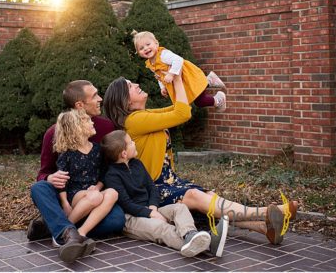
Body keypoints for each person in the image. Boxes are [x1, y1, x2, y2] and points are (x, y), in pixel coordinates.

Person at [101, 75, 299, 245]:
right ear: (126, 101)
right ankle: (265, 212)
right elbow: (182, 113)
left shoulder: (144, 115)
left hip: (169, 180)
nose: (136, 84)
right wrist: (176, 77)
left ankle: (263, 228)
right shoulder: (134, 121)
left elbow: (181, 107)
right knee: (197, 196)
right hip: (154, 187)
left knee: (209, 197)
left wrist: (176, 83)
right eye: (130, 86)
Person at [28, 80, 125, 263]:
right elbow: (43, 172)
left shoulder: (106, 128)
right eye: (94, 96)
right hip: (68, 192)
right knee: (38, 188)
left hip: (95, 194)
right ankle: (66, 231)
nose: (100, 99)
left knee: (117, 220)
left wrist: (99, 188)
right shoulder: (54, 132)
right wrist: (50, 177)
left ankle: (56, 227)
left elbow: (109, 168)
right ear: (80, 105)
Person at [101, 130, 222, 257]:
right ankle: (208, 244)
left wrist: (153, 206)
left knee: (180, 208)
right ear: (124, 153)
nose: (134, 143)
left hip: (151, 208)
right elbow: (126, 204)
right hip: (131, 217)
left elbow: (152, 187)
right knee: (161, 227)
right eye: (131, 142)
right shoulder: (112, 176)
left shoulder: (137, 164)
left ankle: (190, 234)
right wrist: (150, 213)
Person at [52, 109, 118, 263]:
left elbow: (103, 174)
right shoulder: (67, 152)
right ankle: (62, 233)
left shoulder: (97, 149)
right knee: (95, 197)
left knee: (113, 193)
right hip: (75, 194)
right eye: (87, 121)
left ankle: (81, 233)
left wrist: (97, 187)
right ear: (76, 127)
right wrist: (65, 204)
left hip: (94, 192)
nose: (92, 122)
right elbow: (62, 180)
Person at [132, 30, 228, 111]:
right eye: (141, 48)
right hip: (182, 82)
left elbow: (178, 60)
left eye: (148, 44)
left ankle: (218, 99)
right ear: (138, 53)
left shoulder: (163, 55)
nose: (146, 48)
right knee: (194, 99)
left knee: (199, 101)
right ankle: (209, 81)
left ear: (156, 43)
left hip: (186, 76)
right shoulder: (150, 64)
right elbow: (159, 76)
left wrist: (171, 74)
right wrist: (162, 87)